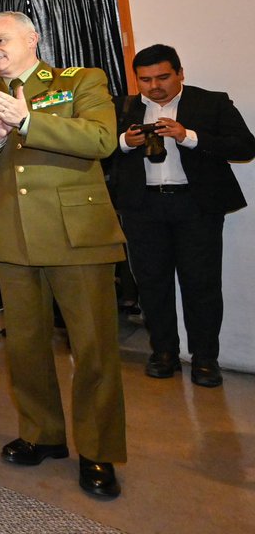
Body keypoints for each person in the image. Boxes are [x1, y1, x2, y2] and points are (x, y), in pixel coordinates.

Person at [0, 10, 127, 499]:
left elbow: (101, 139)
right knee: (25, 347)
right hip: (12, 236)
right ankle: (42, 434)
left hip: (76, 234)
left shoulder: (80, 81)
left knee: (93, 348)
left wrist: (28, 120)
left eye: (0, 40)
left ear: (33, 38)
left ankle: (97, 450)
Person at [111, 44, 255, 387]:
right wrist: (125, 142)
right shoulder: (121, 108)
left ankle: (205, 360)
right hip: (142, 208)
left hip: (196, 207)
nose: (154, 86)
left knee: (201, 285)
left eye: (162, 77)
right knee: (151, 285)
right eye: (145, 79)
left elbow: (245, 146)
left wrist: (187, 136)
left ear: (180, 73)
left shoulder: (210, 102)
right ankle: (163, 354)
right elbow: (97, 151)